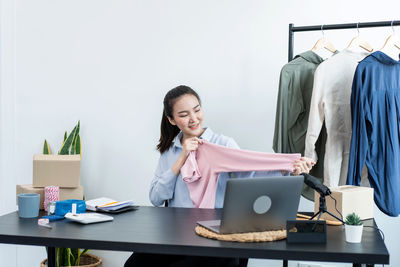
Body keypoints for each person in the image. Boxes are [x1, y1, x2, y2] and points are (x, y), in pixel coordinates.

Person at [124, 85, 314, 267]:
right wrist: (181, 158)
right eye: (184, 115)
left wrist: (285, 168)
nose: (193, 118)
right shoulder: (169, 151)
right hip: (177, 233)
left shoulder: (222, 144)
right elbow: (156, 198)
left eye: (196, 110)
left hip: (215, 232)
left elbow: (252, 174)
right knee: (134, 264)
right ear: (172, 120)